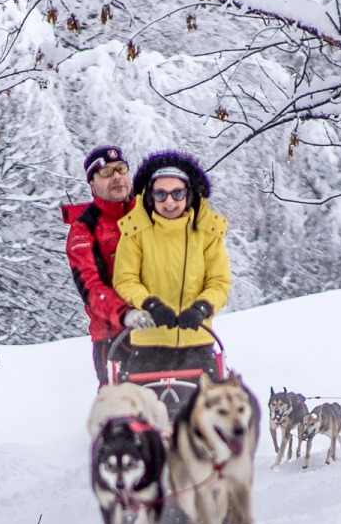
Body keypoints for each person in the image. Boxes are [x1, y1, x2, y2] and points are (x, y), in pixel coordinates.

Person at [112, 150, 231, 379]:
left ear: (188, 194)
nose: (169, 202)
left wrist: (202, 307)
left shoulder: (208, 233)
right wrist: (150, 304)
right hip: (148, 345)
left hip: (197, 341)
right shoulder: (134, 233)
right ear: (150, 197)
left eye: (177, 194)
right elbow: (126, 280)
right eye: (161, 195)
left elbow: (219, 282)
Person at [62, 144, 135, 385]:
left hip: (163, 330)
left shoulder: (151, 213)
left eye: (120, 169)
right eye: (105, 173)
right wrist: (125, 314)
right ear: (92, 183)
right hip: (115, 338)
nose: (116, 177)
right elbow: (91, 287)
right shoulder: (84, 229)